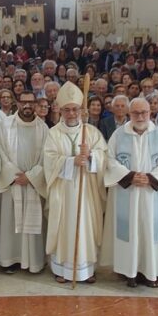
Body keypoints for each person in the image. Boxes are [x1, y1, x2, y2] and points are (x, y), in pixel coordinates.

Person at [101, 98, 158, 288]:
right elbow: (109, 160)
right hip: (127, 192)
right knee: (129, 232)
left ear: (151, 113)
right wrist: (129, 176)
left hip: (153, 194)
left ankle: (152, 272)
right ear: (129, 113)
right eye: (136, 113)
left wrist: (151, 178)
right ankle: (129, 272)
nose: (140, 116)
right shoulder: (119, 135)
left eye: (144, 112)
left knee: (152, 232)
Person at [42, 82, 108, 284]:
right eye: (67, 110)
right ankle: (61, 269)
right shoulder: (53, 133)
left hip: (87, 189)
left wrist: (91, 157)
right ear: (60, 111)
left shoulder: (92, 132)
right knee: (63, 227)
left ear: (81, 110)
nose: (71, 113)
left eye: (75, 109)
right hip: (63, 190)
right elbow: (49, 160)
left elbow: (105, 157)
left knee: (85, 227)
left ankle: (86, 270)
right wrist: (71, 161)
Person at [0, 91, 50, 274]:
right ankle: (10, 260)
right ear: (16, 103)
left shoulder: (43, 128)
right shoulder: (5, 125)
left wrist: (31, 176)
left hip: (32, 184)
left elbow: (46, 157)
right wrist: (14, 174)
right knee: (10, 222)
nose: (27, 106)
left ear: (36, 104)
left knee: (32, 225)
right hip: (13, 181)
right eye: (23, 102)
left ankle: (33, 261)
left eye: (31, 102)